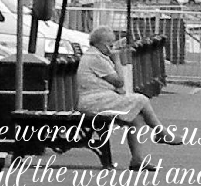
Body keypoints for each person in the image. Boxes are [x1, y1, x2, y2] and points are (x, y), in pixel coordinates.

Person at [76, 26, 182, 171]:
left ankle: (137, 159)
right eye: (110, 45)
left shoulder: (95, 56)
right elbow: (119, 82)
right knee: (141, 99)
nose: (112, 48)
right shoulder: (96, 58)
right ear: (101, 44)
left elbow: (118, 86)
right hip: (95, 102)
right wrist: (117, 60)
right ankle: (161, 132)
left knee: (136, 119)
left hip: (100, 100)